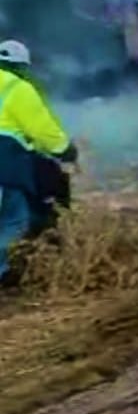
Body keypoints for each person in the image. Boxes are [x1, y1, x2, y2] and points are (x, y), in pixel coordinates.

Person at [0, 40, 77, 281]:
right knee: (13, 220)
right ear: (21, 67)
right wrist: (65, 150)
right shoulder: (18, 88)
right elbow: (42, 130)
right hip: (6, 164)